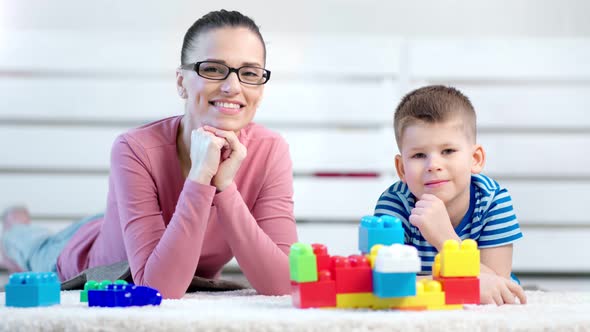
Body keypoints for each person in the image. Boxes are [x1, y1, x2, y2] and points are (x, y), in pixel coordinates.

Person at [0, 10, 298, 299]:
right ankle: (16, 225)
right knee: (31, 247)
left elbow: (284, 284)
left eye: (248, 73)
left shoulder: (270, 151)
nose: (232, 86)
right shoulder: (135, 148)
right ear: (182, 82)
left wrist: (224, 187)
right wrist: (199, 177)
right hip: (82, 255)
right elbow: (158, 289)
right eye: (212, 69)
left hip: (134, 230)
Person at [374, 85, 527, 305]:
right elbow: (385, 283)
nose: (433, 165)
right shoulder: (395, 205)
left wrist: (446, 240)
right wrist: (466, 285)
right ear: (401, 169)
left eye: (448, 151)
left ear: (475, 159)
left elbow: (497, 282)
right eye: (418, 155)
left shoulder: (493, 200)